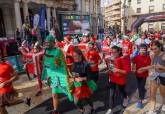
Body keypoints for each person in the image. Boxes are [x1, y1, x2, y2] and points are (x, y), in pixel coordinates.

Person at [42, 35, 73, 114]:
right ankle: (55, 110)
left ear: (53, 43)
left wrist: (67, 74)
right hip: (53, 76)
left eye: (49, 42)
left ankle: (74, 94)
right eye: (46, 42)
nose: (47, 44)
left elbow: (63, 63)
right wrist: (44, 76)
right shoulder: (45, 51)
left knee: (70, 96)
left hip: (62, 74)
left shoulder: (58, 50)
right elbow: (45, 64)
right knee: (54, 94)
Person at [69, 48, 97, 114]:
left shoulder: (86, 65)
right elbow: (73, 75)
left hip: (85, 85)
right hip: (77, 86)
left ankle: (92, 107)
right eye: (73, 56)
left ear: (80, 55)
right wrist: (72, 79)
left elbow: (91, 77)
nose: (74, 57)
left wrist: (82, 78)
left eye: (75, 56)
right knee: (76, 102)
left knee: (88, 99)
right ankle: (82, 109)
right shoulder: (73, 64)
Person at [106, 46, 130, 114]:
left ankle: (126, 98)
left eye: (115, 52)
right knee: (111, 94)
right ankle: (110, 109)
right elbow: (111, 69)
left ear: (119, 52)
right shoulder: (111, 59)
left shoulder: (123, 59)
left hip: (121, 79)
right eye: (112, 52)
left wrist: (118, 70)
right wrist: (108, 71)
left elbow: (126, 71)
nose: (113, 53)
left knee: (122, 92)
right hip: (112, 78)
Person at [147, 41, 165, 114]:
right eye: (152, 49)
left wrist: (161, 67)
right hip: (155, 75)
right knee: (152, 93)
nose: (154, 50)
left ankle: (164, 104)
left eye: (155, 49)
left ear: (160, 47)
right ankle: (152, 110)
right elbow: (152, 64)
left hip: (163, 75)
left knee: (162, 93)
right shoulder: (153, 55)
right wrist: (150, 71)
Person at [132, 44, 151, 109]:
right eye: (141, 49)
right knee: (139, 86)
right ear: (139, 50)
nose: (142, 51)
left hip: (144, 75)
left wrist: (142, 70)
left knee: (140, 87)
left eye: (144, 50)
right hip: (137, 74)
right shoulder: (136, 57)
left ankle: (140, 101)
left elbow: (148, 66)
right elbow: (133, 63)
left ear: (146, 50)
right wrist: (134, 69)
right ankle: (143, 90)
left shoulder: (148, 57)